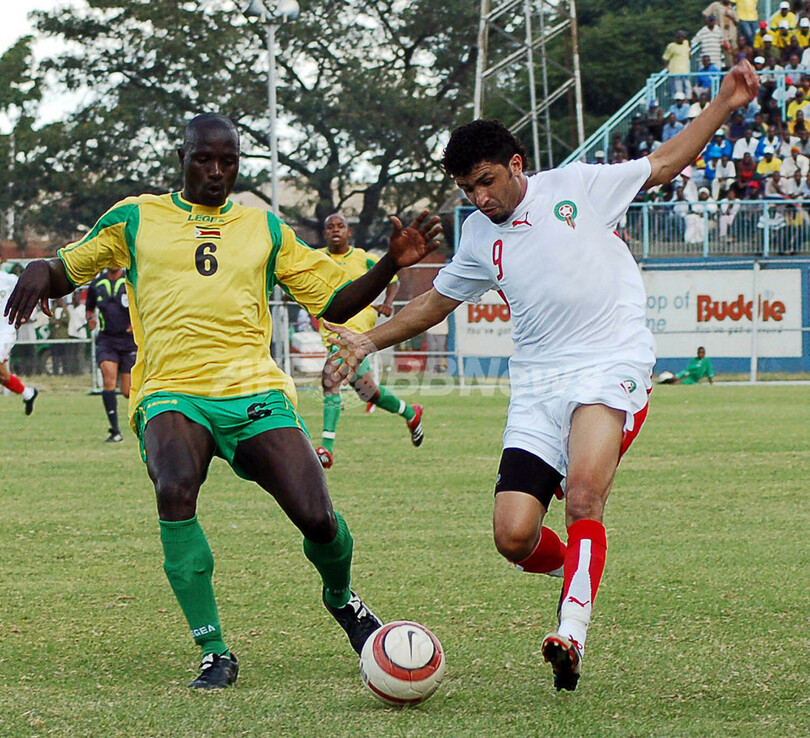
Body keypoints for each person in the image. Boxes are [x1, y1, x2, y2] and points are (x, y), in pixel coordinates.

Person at [327, 62, 760, 692]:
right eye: (468, 188)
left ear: (517, 165)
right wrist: (366, 338)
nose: (480, 198)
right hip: (536, 385)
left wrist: (725, 100)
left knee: (584, 497)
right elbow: (437, 302)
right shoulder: (478, 233)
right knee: (514, 535)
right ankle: (576, 569)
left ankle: (572, 631)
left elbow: (664, 162)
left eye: (487, 181)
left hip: (611, 364)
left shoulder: (580, 187)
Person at [4, 113, 442, 690]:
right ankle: (214, 649)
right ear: (181, 159)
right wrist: (40, 267)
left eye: (228, 161)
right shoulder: (137, 217)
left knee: (317, 517)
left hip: (253, 388)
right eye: (203, 159)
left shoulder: (264, 229)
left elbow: (334, 304)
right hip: (170, 390)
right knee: (175, 485)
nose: (216, 171)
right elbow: (69, 265)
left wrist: (389, 264)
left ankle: (342, 599)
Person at [314, 212, 424, 470]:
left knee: (331, 377)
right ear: (324, 233)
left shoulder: (364, 258)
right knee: (369, 393)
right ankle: (411, 412)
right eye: (330, 227)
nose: (335, 230)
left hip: (356, 330)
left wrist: (387, 303)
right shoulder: (317, 257)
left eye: (340, 226)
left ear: (349, 232)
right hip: (331, 329)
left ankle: (325, 449)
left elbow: (393, 279)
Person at [85, 267, 138, 442]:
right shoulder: (97, 284)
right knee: (108, 379)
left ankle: (146, 423)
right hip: (107, 340)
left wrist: (136, 322)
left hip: (129, 340)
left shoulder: (130, 280)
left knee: (127, 390)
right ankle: (115, 431)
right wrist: (90, 319)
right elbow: (89, 308)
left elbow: (143, 303)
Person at [0, 265, 38, 413]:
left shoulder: (8, 280)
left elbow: (31, 290)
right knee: (3, 377)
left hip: (5, 331)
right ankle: (28, 394)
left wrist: (26, 312)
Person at [663, 30, 692, 98]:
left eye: (683, 37)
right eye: (680, 37)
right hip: (675, 71)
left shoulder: (686, 43)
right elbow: (666, 58)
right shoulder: (671, 46)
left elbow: (688, 53)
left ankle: (688, 101)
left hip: (685, 71)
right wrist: (666, 68)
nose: (682, 38)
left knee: (687, 88)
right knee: (678, 90)